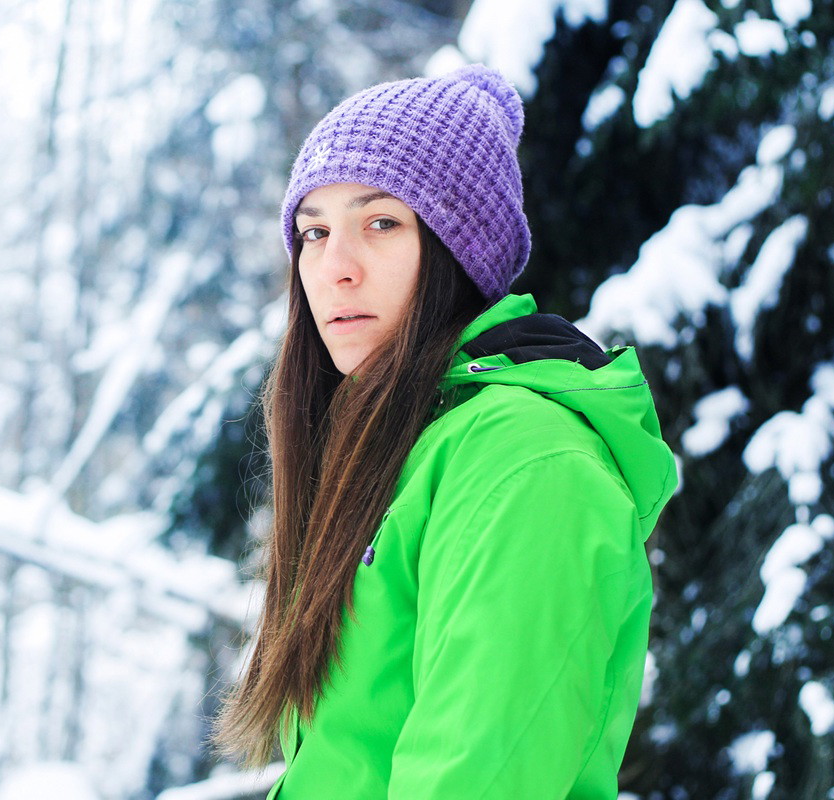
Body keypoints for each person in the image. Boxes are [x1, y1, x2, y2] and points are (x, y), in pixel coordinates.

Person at [210, 63, 678, 799]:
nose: (334, 267)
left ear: (462, 248)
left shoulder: (525, 461)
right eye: (314, 232)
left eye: (381, 223)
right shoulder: (404, 449)